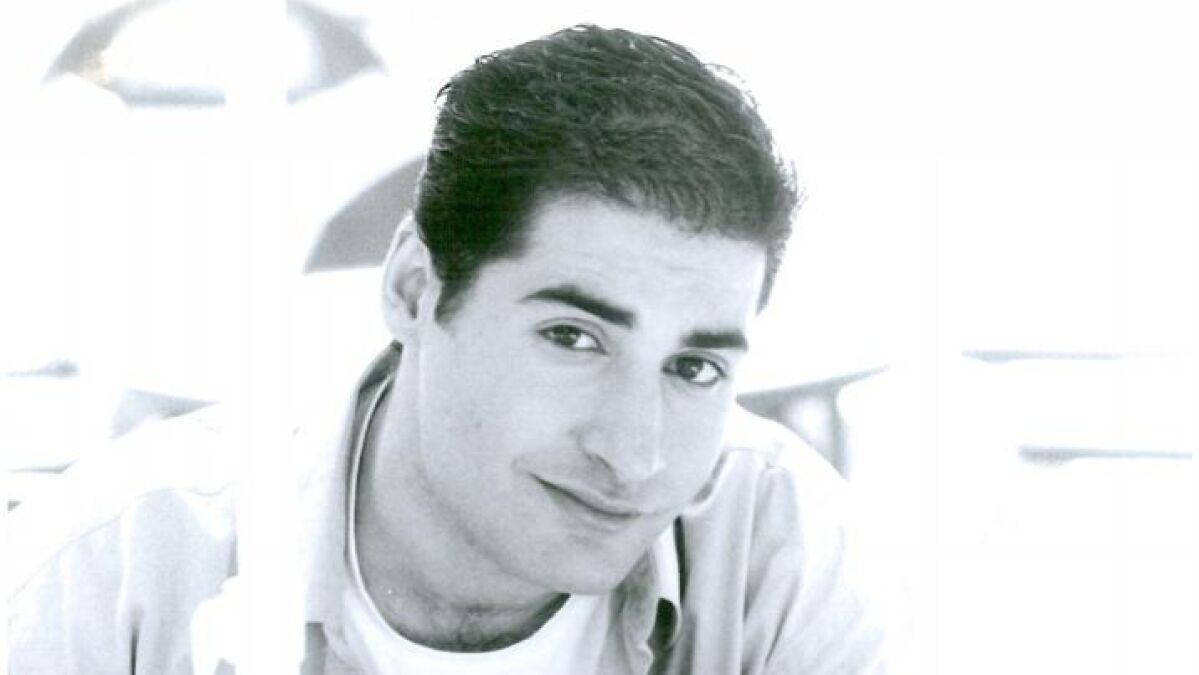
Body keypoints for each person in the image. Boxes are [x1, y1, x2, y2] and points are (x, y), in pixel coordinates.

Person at [7, 24, 890, 673]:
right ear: (413, 290)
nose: (634, 453)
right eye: (572, 337)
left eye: (693, 368)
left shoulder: (776, 549)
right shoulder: (109, 576)